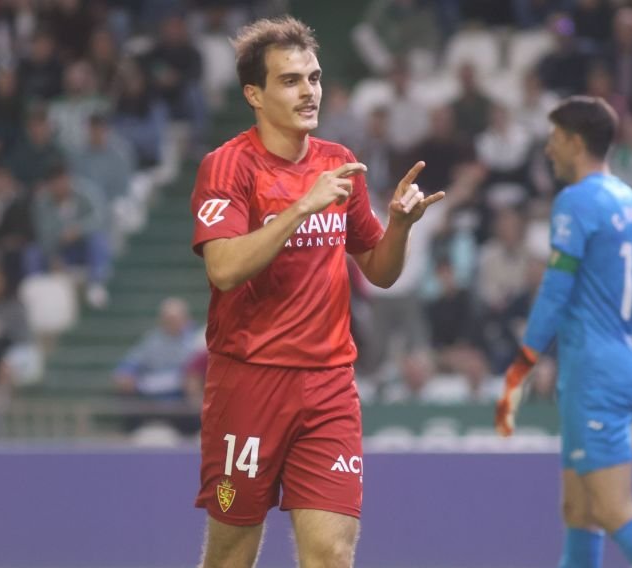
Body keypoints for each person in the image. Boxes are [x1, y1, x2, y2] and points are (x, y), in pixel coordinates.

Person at [188, 17, 443, 568]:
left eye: (315, 77)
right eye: (290, 80)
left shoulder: (336, 161)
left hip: (329, 386)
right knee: (230, 556)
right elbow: (224, 269)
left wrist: (399, 225)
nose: (309, 91)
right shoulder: (227, 167)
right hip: (249, 383)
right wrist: (299, 207)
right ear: (253, 94)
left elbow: (378, 270)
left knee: (331, 554)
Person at [494, 97, 632, 568]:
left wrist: (520, 367)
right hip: (620, 365)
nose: (548, 150)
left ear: (573, 141)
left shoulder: (576, 201)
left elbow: (554, 291)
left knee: (612, 509)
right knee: (579, 511)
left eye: (552, 139)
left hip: (594, 370)